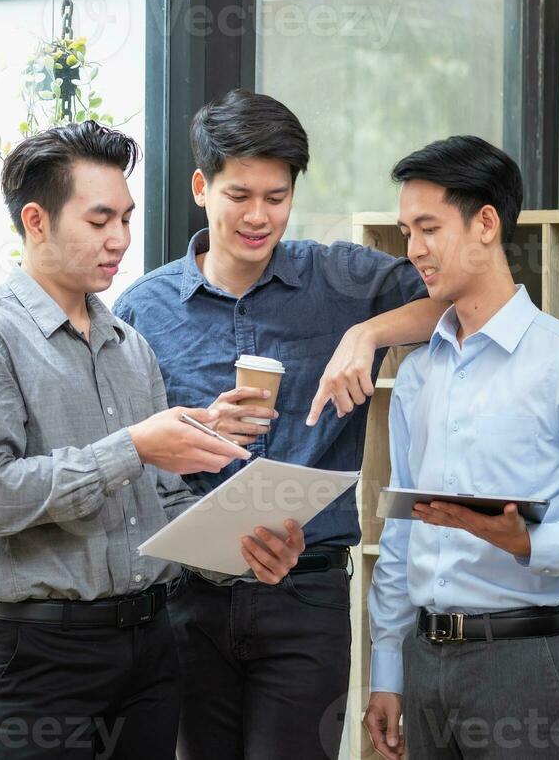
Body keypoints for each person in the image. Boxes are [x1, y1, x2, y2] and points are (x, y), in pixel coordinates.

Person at [0, 121, 304, 760]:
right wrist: (133, 446)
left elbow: (156, 510)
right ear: (36, 221)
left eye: (127, 219)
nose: (120, 240)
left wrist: (242, 545)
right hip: (39, 661)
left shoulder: (130, 345)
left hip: (150, 648)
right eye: (99, 220)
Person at [113, 89, 449, 760]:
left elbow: (456, 303)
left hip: (308, 597)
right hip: (189, 602)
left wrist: (367, 332)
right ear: (202, 186)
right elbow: (128, 459)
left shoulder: (339, 278)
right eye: (240, 195)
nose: (259, 216)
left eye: (277, 197)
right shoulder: (143, 308)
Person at [365, 135, 559, 760]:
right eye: (406, 230)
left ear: (486, 225)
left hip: (525, 666)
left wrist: (531, 543)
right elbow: (400, 534)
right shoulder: (418, 374)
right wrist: (387, 671)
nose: (413, 249)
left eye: (428, 228)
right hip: (425, 664)